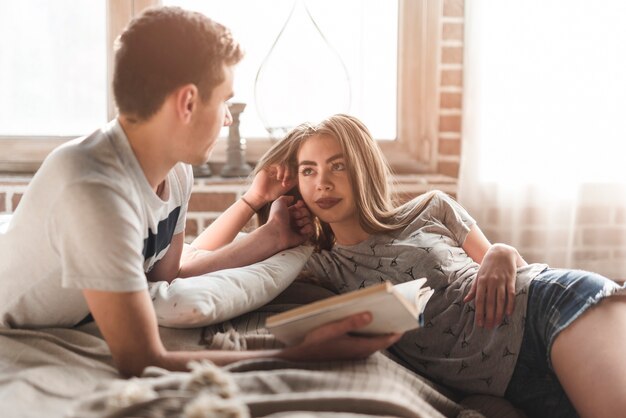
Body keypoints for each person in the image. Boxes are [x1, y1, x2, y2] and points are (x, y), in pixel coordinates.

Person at [0, 8, 400, 377]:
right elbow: (142, 360)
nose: (228, 119)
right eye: (225, 100)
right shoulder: (93, 189)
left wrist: (268, 229)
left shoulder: (176, 171)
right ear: (188, 102)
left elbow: (170, 273)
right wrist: (301, 354)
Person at [224, 114, 625, 418]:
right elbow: (191, 266)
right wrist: (253, 200)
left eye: (338, 166)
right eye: (309, 171)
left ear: (361, 169)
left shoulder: (431, 207)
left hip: (545, 309)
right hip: (513, 383)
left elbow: (498, 263)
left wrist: (503, 250)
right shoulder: (318, 265)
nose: (323, 183)